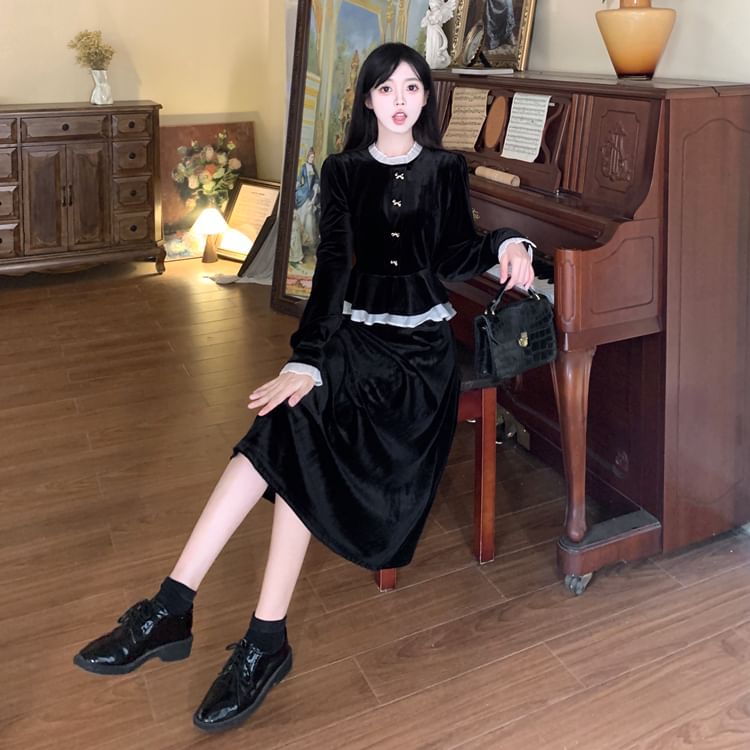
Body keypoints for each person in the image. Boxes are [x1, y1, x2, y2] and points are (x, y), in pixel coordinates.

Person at [73, 42, 534, 733]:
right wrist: (308, 358)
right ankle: (221, 623)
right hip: (355, 340)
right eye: (387, 89)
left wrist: (506, 241)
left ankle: (189, 615)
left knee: (293, 427)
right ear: (368, 99)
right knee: (292, 416)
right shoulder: (345, 172)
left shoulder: (445, 169)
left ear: (425, 98)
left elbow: (452, 254)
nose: (401, 101)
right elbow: (334, 270)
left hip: (418, 358)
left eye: (412, 88)